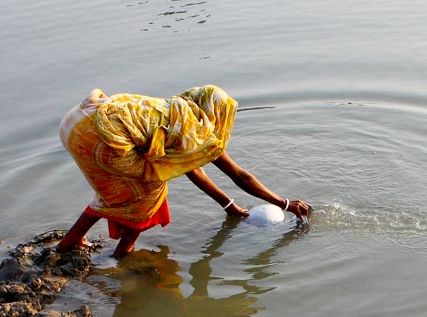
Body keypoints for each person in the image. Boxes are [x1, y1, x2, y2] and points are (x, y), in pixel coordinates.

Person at [55, 86, 312, 257]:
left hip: (76, 123)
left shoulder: (177, 113)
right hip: (103, 137)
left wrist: (230, 207)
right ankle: (123, 253)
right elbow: (238, 175)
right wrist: (285, 203)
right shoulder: (196, 130)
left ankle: (71, 241)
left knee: (114, 191)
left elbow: (192, 169)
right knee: (151, 189)